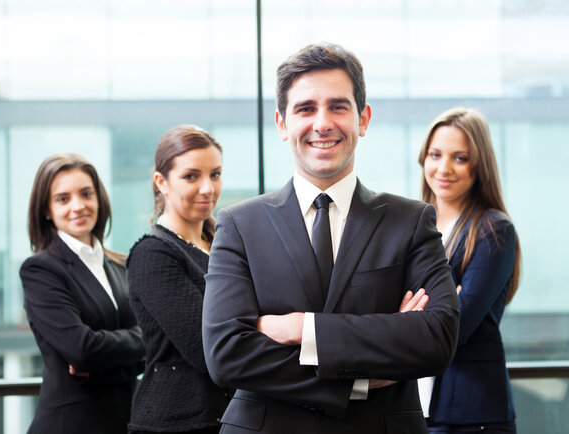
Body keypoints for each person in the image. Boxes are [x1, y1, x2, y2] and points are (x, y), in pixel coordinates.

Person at [201, 43, 460, 434]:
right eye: (306, 108)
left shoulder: (410, 220)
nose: (322, 123)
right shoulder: (240, 224)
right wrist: (358, 379)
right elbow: (227, 355)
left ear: (363, 119)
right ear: (282, 124)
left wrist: (301, 329)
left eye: (338, 107)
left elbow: (436, 338)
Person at [20, 153, 145, 434]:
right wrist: (139, 343)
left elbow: (149, 345)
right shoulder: (41, 269)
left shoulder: (120, 264)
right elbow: (82, 349)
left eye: (86, 194)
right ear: (46, 210)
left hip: (125, 421)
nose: (78, 206)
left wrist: (107, 359)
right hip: (71, 425)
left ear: (98, 198)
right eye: (63, 199)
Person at [418, 108, 521, 433]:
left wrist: (417, 308)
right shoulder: (415, 225)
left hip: (471, 417)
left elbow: (455, 329)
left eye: (460, 158)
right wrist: (441, 302)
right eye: (436, 154)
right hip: (418, 407)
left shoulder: (493, 231)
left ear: (478, 166)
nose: (443, 168)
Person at [127, 125, 230, 434]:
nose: (208, 188)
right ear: (161, 182)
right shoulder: (152, 254)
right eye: (191, 176)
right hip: (177, 422)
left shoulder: (224, 244)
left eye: (215, 174)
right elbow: (207, 348)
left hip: (225, 415)